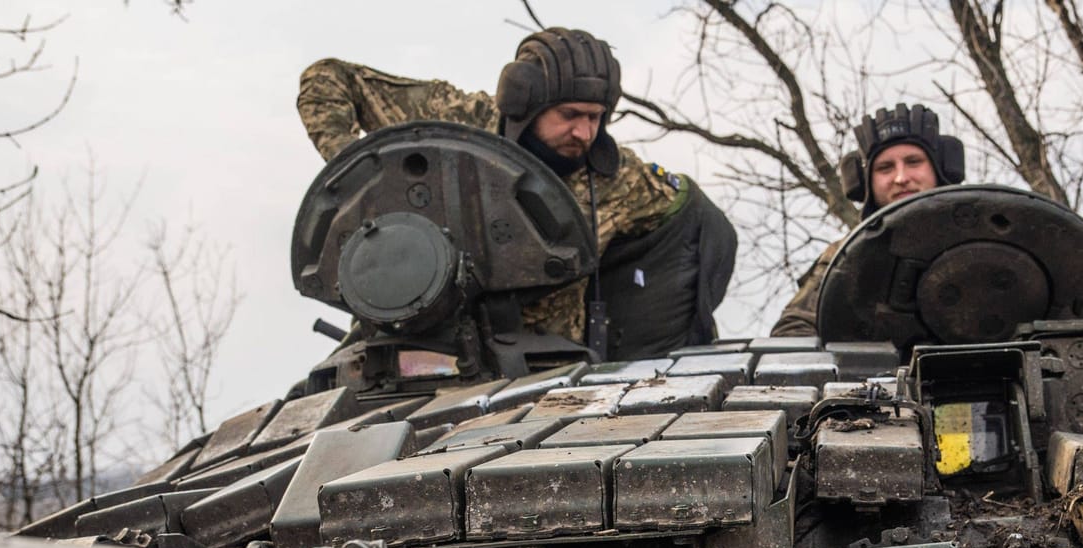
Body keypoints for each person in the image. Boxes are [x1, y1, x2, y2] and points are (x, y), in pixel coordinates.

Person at [298, 29, 734, 357]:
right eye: (570, 115)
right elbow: (327, 79)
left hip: (542, 372)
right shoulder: (460, 123)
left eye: (597, 117)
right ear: (526, 102)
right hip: (412, 346)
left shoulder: (620, 179)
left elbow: (693, 219)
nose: (585, 133)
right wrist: (352, 171)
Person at [771, 104, 966, 338]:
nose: (901, 178)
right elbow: (793, 329)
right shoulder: (847, 255)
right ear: (866, 183)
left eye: (914, 162)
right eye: (885, 168)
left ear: (938, 168)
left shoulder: (986, 237)